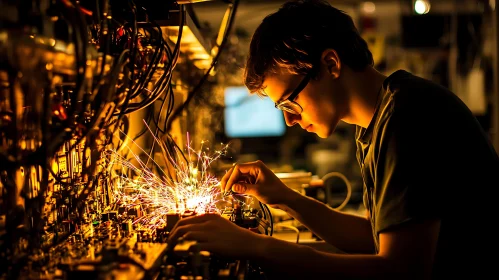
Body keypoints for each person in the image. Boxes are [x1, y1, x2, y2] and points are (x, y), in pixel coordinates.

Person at [168, 0, 499, 278]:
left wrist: (252, 246)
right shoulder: (379, 119)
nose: (289, 118)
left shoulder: (407, 117)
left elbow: (401, 271)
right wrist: (286, 199)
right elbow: (376, 239)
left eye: (289, 101)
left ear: (330, 64)